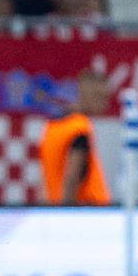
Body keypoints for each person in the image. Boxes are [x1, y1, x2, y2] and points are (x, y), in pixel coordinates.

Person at [38, 68, 111, 205]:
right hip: (88, 210)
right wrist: (66, 212)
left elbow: (44, 180)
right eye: (102, 97)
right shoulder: (80, 127)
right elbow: (71, 177)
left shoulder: (51, 127)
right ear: (88, 95)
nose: (105, 104)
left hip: (52, 209)